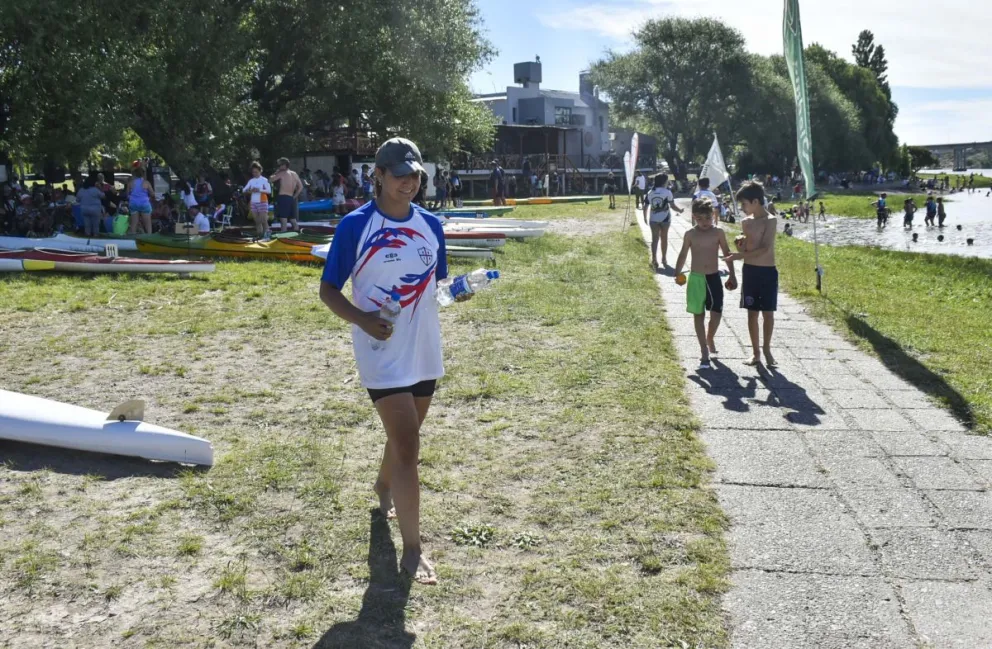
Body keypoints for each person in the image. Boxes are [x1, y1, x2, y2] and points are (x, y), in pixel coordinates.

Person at [319, 137, 453, 586]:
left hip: (424, 351)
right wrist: (363, 319)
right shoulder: (355, 226)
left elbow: (435, 288)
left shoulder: (432, 226)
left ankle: (382, 485)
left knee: (404, 439)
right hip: (380, 353)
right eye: (399, 175)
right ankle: (413, 551)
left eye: (414, 175)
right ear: (377, 175)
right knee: (410, 447)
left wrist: (458, 293)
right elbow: (328, 290)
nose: (409, 183)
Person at [673, 198, 738, 369]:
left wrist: (732, 274)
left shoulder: (718, 233)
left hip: (714, 277)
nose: (704, 222)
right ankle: (703, 350)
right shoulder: (690, 234)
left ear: (713, 215)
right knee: (698, 314)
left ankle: (710, 337)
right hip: (696, 278)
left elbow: (727, 253)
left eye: (708, 218)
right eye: (700, 219)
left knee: (716, 312)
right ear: (694, 217)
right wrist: (677, 272)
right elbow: (682, 254)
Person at [725, 181, 778, 367]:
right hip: (750, 271)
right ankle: (756, 353)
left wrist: (740, 255)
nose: (742, 208)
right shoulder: (746, 222)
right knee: (752, 313)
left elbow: (764, 248)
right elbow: (748, 246)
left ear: (756, 201)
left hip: (767, 271)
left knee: (768, 313)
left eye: (744, 204)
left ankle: (767, 349)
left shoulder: (771, 220)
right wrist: (741, 244)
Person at [643, 173, 684, 270]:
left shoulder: (650, 192)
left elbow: (645, 206)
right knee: (664, 238)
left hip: (653, 219)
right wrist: (680, 210)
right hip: (665, 218)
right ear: (664, 182)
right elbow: (673, 206)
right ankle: (664, 258)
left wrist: (644, 217)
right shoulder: (667, 192)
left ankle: (654, 259)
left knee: (655, 239)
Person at [271, 157, 303, 232]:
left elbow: (270, 180)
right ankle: (297, 233)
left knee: (283, 219)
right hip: (291, 197)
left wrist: (276, 173)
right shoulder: (294, 173)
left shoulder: (282, 173)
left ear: (284, 165)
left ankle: (283, 235)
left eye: (279, 165)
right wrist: (295, 196)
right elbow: (301, 187)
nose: (278, 167)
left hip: (283, 197)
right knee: (292, 219)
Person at [243, 161, 272, 238]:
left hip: (262, 201)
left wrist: (259, 190)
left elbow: (269, 191)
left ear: (260, 171)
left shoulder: (264, 180)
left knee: (264, 220)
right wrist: (250, 191)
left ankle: (268, 236)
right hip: (253, 202)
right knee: (257, 222)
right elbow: (244, 190)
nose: (254, 174)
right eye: (253, 172)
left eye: (256, 172)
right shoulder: (251, 181)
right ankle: (260, 236)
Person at [127, 166, 154, 235]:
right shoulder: (146, 183)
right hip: (144, 203)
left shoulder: (130, 183)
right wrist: (150, 197)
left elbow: (127, 194)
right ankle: (149, 239)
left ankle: (132, 240)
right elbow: (152, 194)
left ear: (135, 174)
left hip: (133, 204)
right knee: (148, 224)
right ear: (143, 174)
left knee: (134, 223)